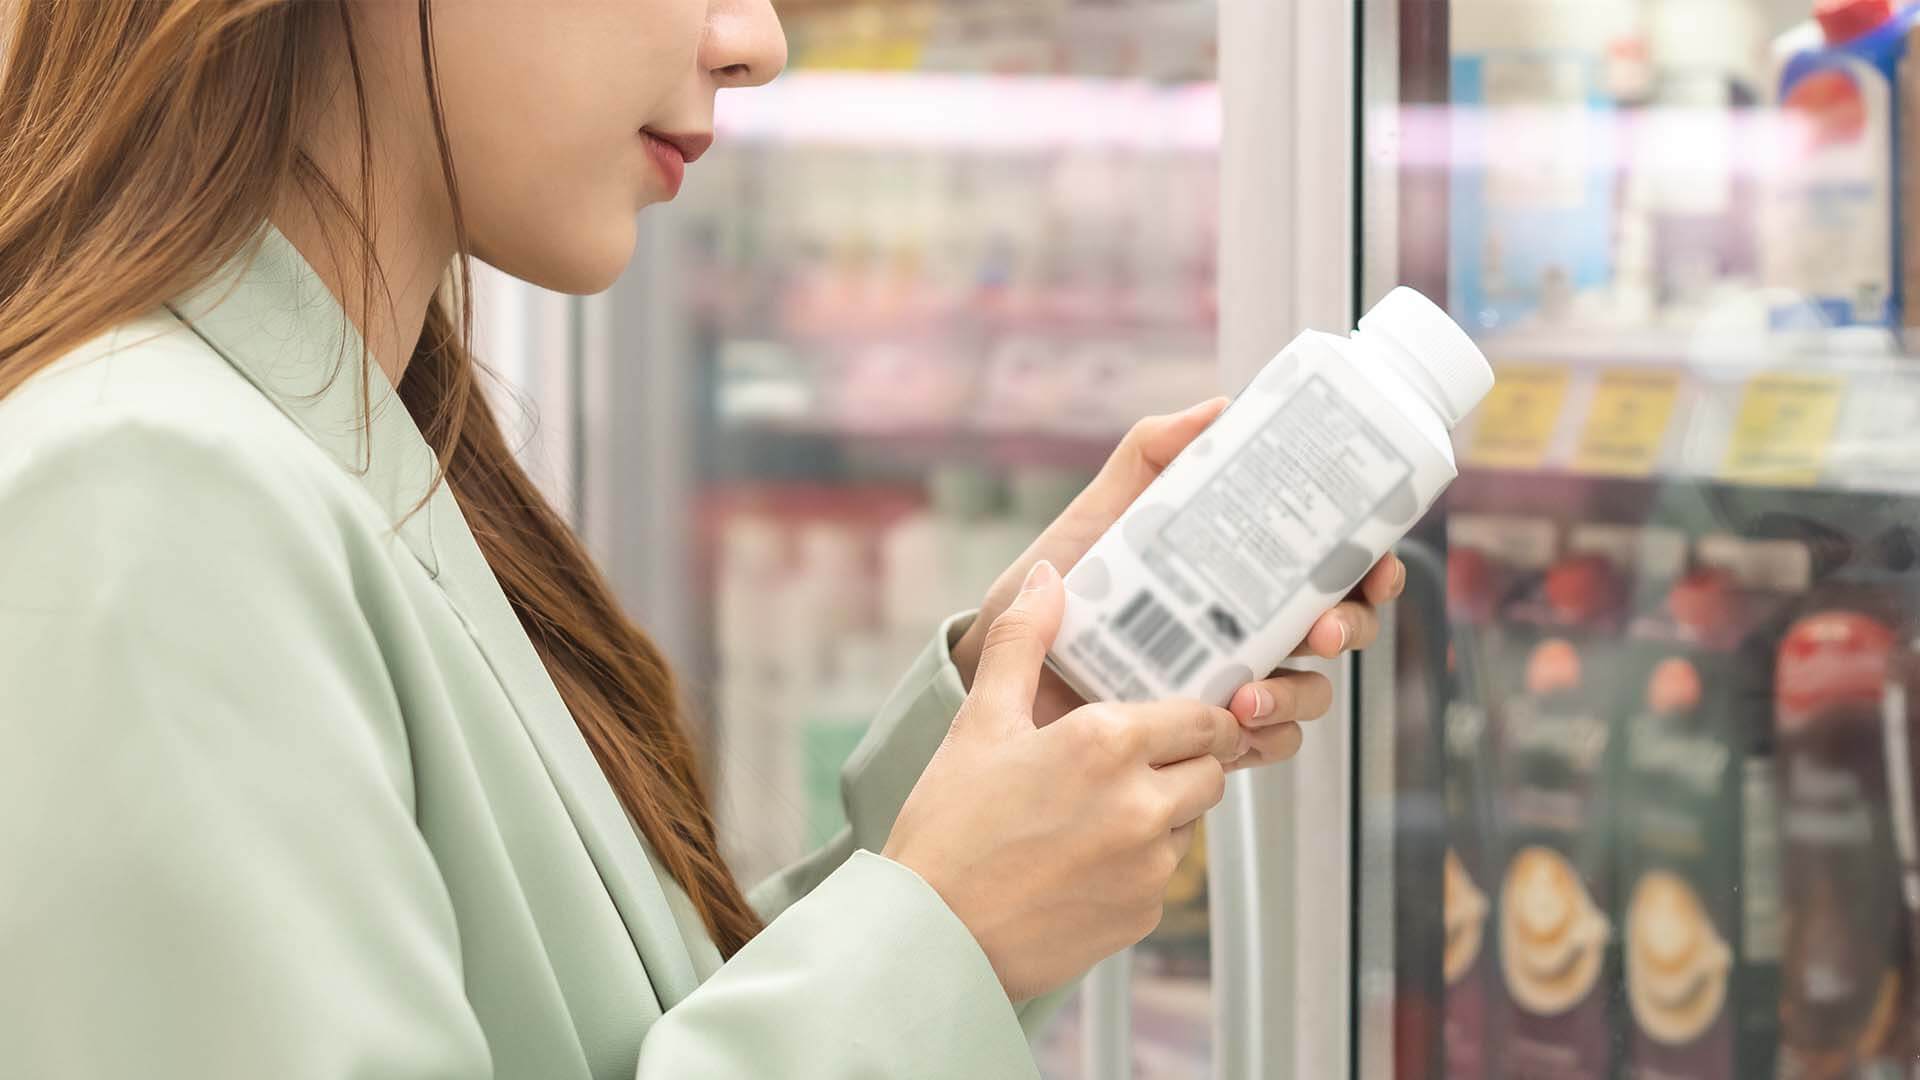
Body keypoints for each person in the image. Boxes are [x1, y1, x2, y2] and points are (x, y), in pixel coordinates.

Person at [0, 3, 1402, 1077]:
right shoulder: (145, 495)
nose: (758, 41)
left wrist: (1015, 726)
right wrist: (947, 934)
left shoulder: (347, 452)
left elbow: (629, 1029)